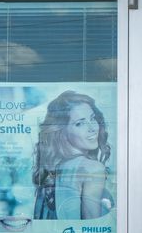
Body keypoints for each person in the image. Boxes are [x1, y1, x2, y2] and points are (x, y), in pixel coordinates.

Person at [33, 91, 114, 221]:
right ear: (62, 132)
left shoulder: (54, 170)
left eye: (92, 118)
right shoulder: (92, 168)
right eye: (79, 123)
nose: (92, 128)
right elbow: (92, 228)